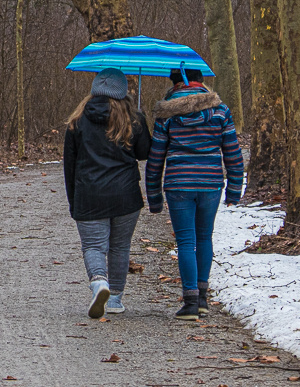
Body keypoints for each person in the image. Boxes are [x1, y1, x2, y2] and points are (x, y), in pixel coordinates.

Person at [145, 68, 244, 321]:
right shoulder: (220, 110)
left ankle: (190, 302)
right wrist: (234, 187)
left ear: (175, 84)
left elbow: (156, 158)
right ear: (201, 82)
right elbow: (232, 151)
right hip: (211, 183)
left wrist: (154, 196)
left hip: (179, 184)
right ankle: (202, 299)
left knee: (186, 242)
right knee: (204, 238)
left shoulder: (167, 114)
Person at [63, 68, 151, 319]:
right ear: (122, 92)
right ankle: (114, 299)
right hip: (126, 196)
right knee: (120, 247)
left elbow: (69, 165)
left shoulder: (77, 121)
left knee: (93, 246)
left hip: (90, 194)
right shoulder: (133, 119)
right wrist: (142, 123)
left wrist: (74, 202)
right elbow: (144, 153)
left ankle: (99, 282)